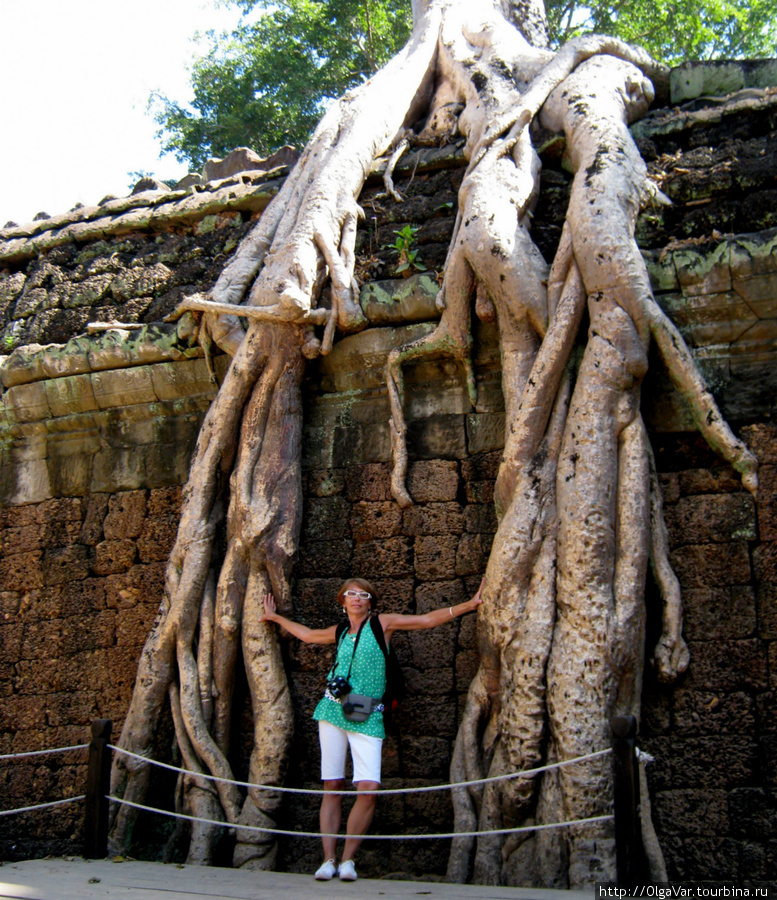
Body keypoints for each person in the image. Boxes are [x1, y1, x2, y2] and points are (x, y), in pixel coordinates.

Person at [259, 577, 483, 882]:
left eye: (362, 595)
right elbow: (308, 635)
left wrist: (468, 605)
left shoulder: (382, 625)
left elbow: (427, 620)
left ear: (370, 602)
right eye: (350, 594)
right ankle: (328, 859)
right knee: (332, 785)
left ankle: (348, 860)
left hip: (368, 713)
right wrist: (274, 617)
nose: (356, 598)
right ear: (342, 601)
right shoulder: (339, 632)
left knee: (368, 788)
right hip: (332, 709)